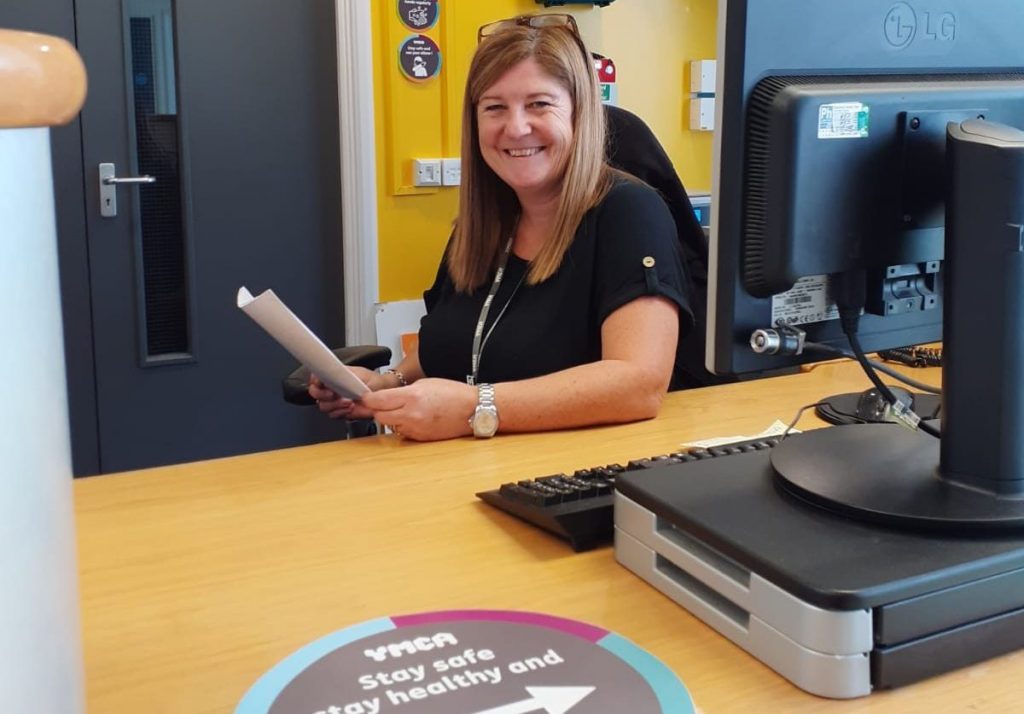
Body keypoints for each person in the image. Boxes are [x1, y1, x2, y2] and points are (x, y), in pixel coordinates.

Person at [310, 13, 693, 441]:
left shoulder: (628, 211)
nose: (515, 127)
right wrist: (391, 382)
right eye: (494, 107)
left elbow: (638, 385)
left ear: (580, 114)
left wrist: (475, 409)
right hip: (452, 474)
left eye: (539, 104)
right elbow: (455, 341)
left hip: (566, 484)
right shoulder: (481, 224)